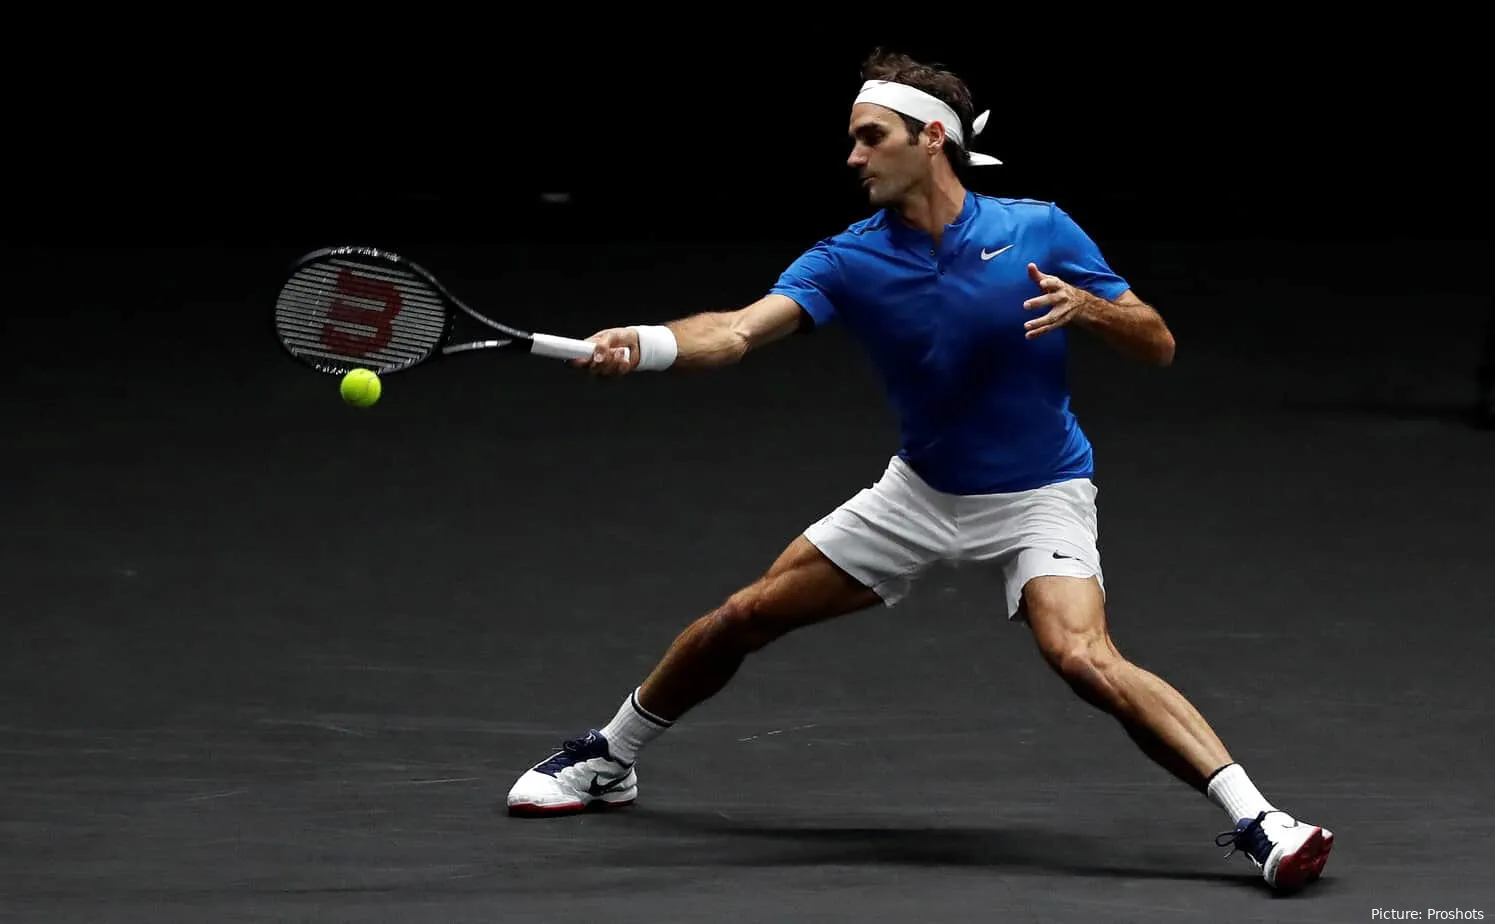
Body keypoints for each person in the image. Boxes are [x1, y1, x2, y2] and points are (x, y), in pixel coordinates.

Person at [505, 48, 1334, 893]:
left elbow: (1156, 343)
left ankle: (1259, 820)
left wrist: (1088, 308)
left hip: (1040, 491)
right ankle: (611, 757)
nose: (853, 157)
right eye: (853, 140)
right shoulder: (846, 258)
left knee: (1082, 656)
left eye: (871, 138)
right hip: (921, 494)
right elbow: (738, 331)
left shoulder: (1039, 228)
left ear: (930, 138)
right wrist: (642, 347)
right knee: (742, 616)